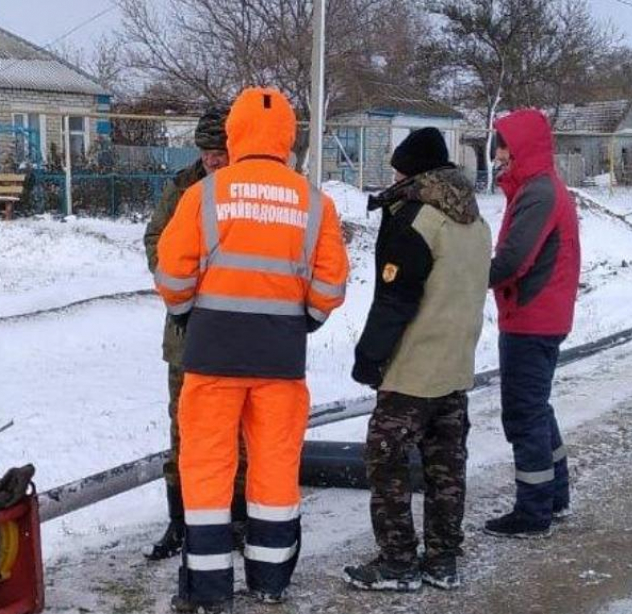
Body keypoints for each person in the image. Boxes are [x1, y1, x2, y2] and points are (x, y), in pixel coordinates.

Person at [155, 87, 349, 614]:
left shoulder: (206, 195)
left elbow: (171, 274)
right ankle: (270, 579)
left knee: (207, 467)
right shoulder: (314, 202)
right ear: (288, 137)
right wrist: (300, 319)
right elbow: (331, 287)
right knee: (274, 466)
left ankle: (208, 589)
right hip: (280, 361)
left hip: (211, 357)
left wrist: (188, 313)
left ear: (236, 133)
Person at [343, 127, 492, 592]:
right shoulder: (474, 218)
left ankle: (398, 562)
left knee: (384, 458)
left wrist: (369, 358)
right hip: (456, 364)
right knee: (446, 464)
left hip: (414, 369)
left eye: (397, 167)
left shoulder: (415, 218)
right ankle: (443, 559)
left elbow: (395, 300)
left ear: (411, 170)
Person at [143, 106, 250, 561]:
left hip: (239, 331)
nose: (213, 160)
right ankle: (180, 521)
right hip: (186, 333)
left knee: (240, 432)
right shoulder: (182, 187)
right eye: (207, 152)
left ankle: (239, 519)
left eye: (220, 151)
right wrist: (178, 287)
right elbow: (155, 240)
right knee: (183, 430)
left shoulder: (250, 188)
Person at [483, 109, 581, 539]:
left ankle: (533, 511)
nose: (498, 153)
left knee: (523, 413)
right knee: (536, 408)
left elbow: (513, 260)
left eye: (503, 144)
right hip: (539, 313)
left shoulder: (539, 192)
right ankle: (554, 495)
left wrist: (467, 276)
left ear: (520, 146)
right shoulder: (537, 188)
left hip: (532, 317)